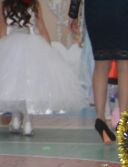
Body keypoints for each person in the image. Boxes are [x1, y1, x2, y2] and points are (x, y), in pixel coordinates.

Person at [69, 0, 128, 144]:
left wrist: (73, 13)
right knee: (125, 66)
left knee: (101, 65)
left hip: (97, 8)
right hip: (123, 8)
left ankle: (101, 119)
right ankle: (124, 121)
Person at [0, 0, 85, 135]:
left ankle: (16, 119)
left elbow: (2, 30)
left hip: (11, 45)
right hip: (32, 46)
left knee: (15, 83)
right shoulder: (34, 3)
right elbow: (42, 29)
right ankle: (28, 122)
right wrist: (49, 51)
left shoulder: (4, 3)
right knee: (29, 84)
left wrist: (3, 49)